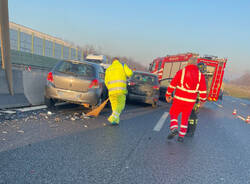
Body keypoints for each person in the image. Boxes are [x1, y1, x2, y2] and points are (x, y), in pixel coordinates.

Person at [165, 57, 207, 142]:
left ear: (188, 63)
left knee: (173, 113)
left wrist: (168, 94)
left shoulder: (181, 72)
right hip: (190, 102)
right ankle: (181, 136)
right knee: (185, 117)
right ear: (196, 64)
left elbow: (172, 84)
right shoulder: (200, 76)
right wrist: (202, 101)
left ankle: (174, 128)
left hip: (179, 99)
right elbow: (203, 91)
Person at [105, 57, 133, 125]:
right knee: (121, 105)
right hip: (120, 91)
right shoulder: (122, 65)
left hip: (111, 91)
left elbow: (106, 81)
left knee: (115, 107)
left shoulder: (108, 69)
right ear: (118, 61)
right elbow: (130, 73)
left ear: (112, 62)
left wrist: (110, 88)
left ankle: (115, 121)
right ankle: (112, 117)